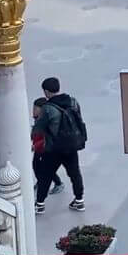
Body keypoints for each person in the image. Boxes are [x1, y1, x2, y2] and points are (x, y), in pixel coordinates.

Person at [30, 77, 88, 213]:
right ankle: (79, 201)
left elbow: (39, 128)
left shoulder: (48, 108)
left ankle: (39, 204)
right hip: (72, 145)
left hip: (53, 148)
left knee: (46, 176)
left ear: (46, 91)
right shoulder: (73, 102)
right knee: (75, 173)